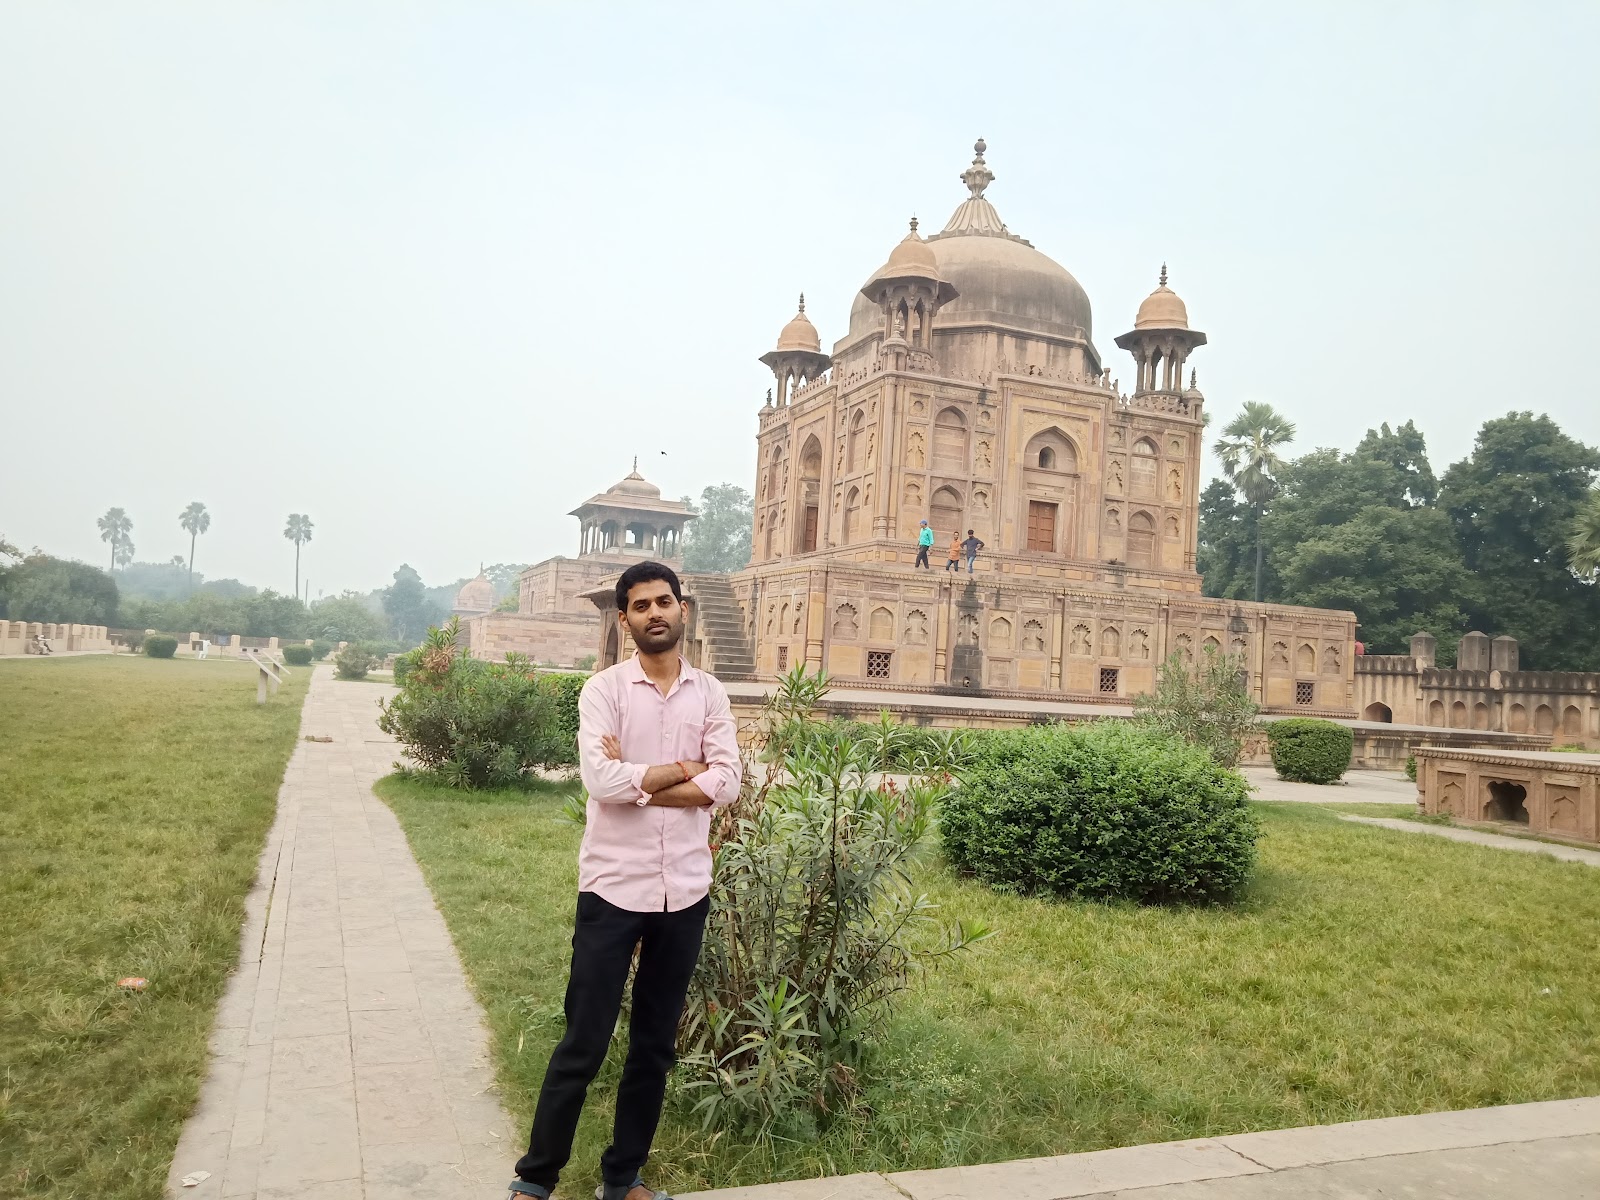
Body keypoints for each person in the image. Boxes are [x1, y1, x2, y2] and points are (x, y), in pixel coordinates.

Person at [508, 561, 741, 1200]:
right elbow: (601, 782)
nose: (655, 613)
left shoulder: (711, 694)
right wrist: (683, 771)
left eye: (664, 601)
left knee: (653, 1046)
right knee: (583, 1040)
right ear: (625, 619)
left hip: (685, 891)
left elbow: (727, 783)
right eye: (641, 606)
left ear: (683, 609)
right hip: (613, 888)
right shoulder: (604, 691)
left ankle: (623, 1177)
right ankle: (536, 1179)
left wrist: (642, 782)